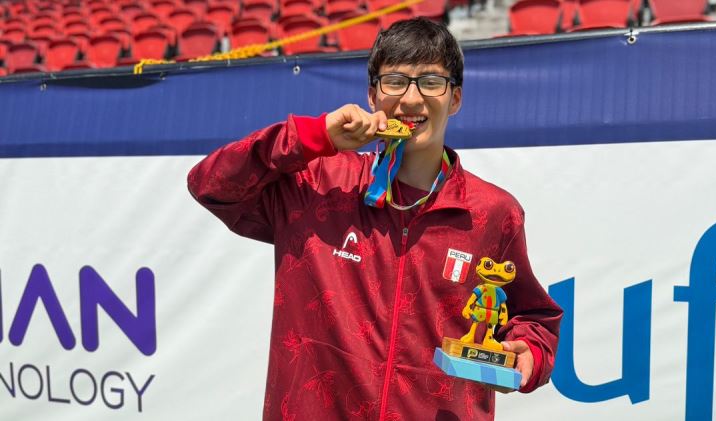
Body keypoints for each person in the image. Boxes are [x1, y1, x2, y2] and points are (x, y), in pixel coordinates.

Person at [188, 17, 562, 421]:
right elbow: (210, 184)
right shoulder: (316, 184)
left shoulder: (492, 212)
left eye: (431, 82)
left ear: (455, 98)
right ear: (372, 95)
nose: (412, 99)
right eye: (395, 81)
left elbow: (533, 317)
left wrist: (529, 353)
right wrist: (316, 137)